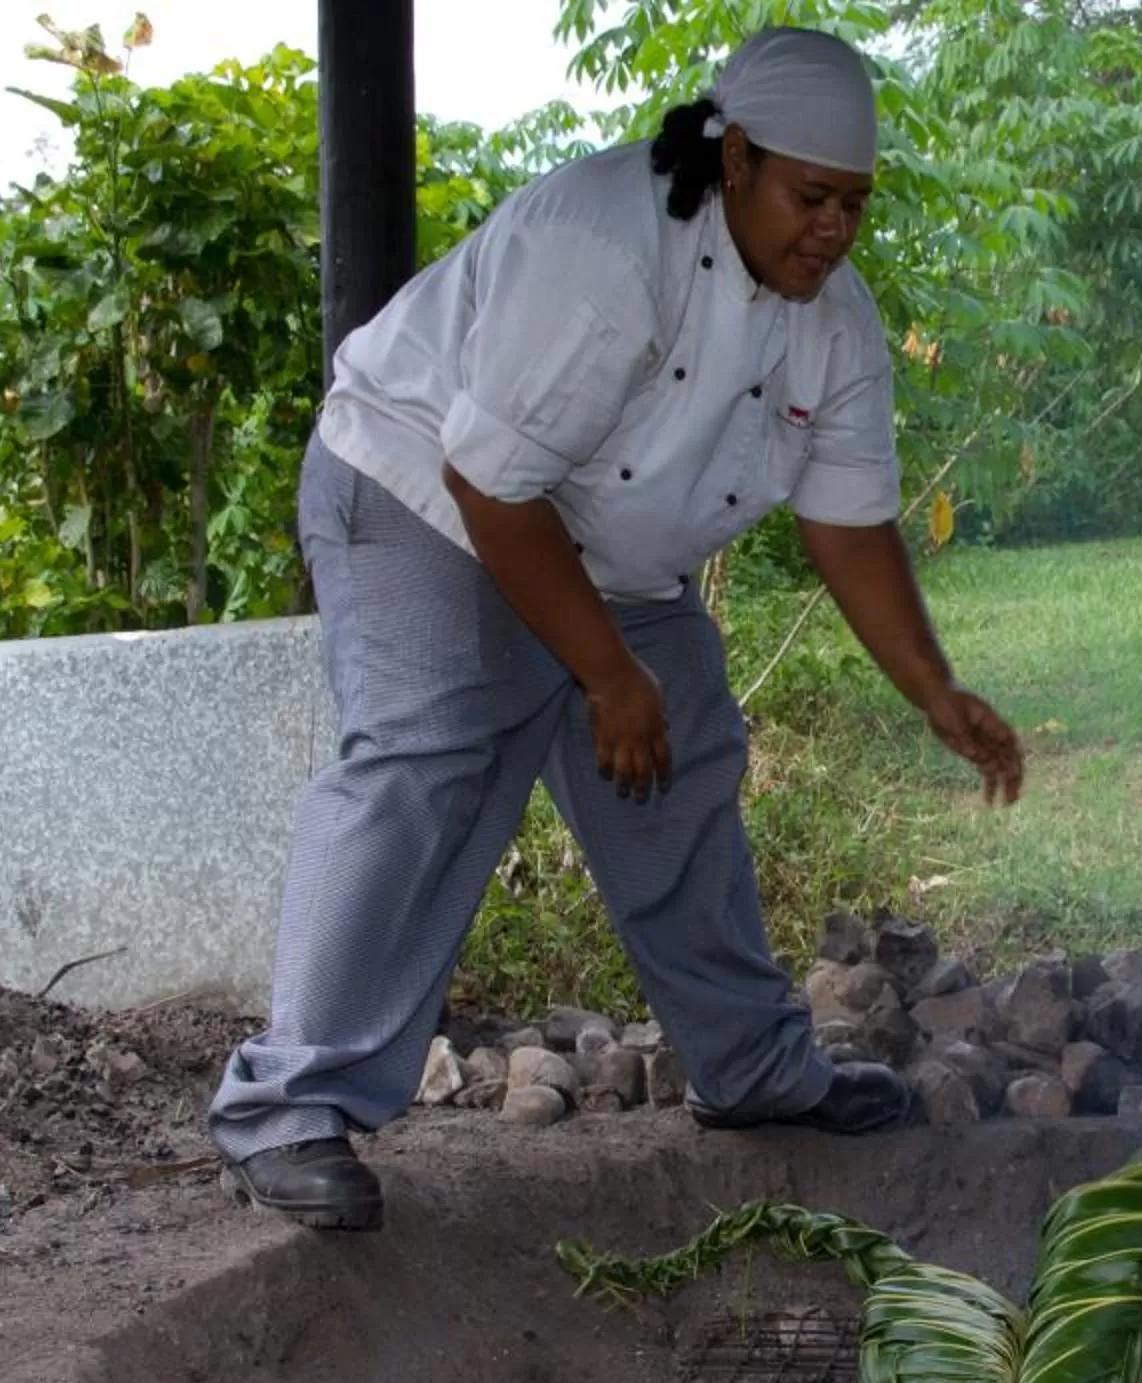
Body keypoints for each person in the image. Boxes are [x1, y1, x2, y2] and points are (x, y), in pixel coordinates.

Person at [208, 28, 1025, 1232]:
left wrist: (932, 690)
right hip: (422, 491)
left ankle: (754, 1076)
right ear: (736, 159)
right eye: (812, 197)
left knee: (682, 763)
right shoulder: (605, 244)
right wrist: (605, 673)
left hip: (596, 546)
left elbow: (850, 528)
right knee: (430, 755)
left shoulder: (835, 323)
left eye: (855, 205)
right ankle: (287, 1109)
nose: (835, 229)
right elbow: (491, 483)